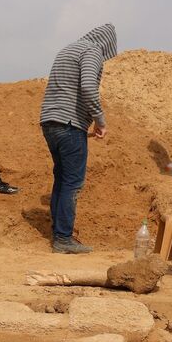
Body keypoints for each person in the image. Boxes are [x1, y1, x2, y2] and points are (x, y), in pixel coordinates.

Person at [39, 23, 118, 254]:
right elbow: (88, 87)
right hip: (69, 125)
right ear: (106, 44)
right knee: (73, 182)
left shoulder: (67, 49)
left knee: (62, 178)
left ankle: (58, 233)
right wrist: (100, 121)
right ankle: (63, 238)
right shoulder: (92, 51)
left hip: (49, 122)